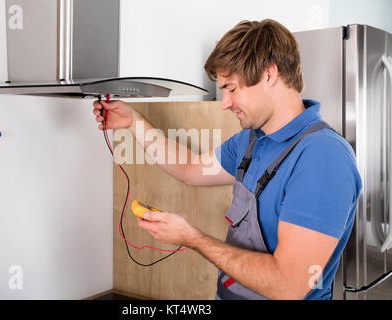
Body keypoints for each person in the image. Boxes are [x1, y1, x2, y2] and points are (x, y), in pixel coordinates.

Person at [92, 19, 362, 300]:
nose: (224, 102)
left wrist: (191, 238)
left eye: (232, 89)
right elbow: (190, 169)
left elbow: (289, 286)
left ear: (270, 75)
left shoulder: (323, 158)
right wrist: (133, 122)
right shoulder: (251, 141)